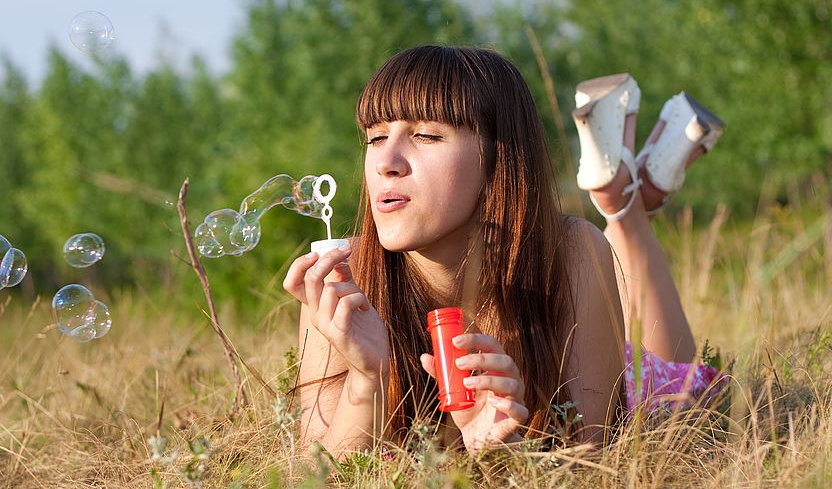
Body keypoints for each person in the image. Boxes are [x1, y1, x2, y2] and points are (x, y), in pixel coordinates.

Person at [283, 45, 725, 459]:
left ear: (499, 159)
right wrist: (368, 378)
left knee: (685, 392)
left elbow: (595, 459)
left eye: (426, 135)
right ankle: (628, 193)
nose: (386, 162)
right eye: (376, 138)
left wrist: (510, 446)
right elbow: (317, 479)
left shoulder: (570, 249)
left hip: (619, 379)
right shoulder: (343, 281)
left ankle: (624, 211)